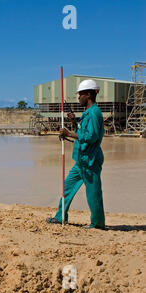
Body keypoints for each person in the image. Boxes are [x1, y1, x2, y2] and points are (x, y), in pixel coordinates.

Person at [46, 79, 106, 229]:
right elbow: (83, 130)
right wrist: (74, 123)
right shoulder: (88, 113)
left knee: (93, 194)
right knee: (67, 187)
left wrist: (69, 133)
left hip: (90, 162)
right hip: (81, 161)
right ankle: (60, 217)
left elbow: (91, 136)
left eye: (80, 94)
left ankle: (97, 224)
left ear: (88, 95)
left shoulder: (94, 113)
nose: (78, 97)